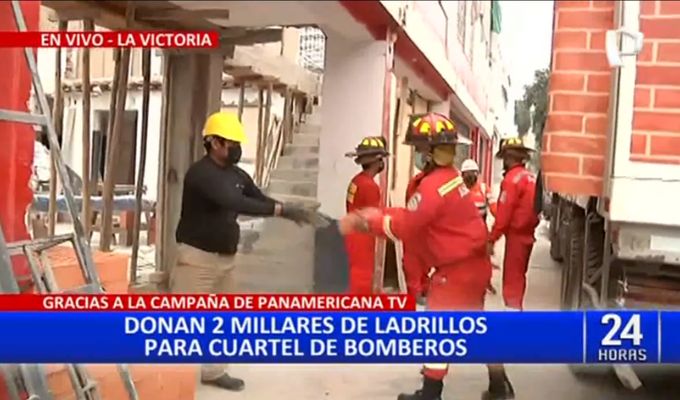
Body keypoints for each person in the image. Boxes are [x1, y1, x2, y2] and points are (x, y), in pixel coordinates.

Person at [338, 112, 514, 400]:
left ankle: (431, 394)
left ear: (431, 152)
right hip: (473, 266)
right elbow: (414, 215)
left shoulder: (432, 187)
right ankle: (499, 385)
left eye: (420, 149)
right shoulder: (452, 179)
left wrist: (367, 221)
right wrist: (380, 214)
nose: (419, 155)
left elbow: (408, 226)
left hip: (454, 273)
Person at [171, 111, 316, 392]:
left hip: (226, 259)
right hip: (197, 258)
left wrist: (290, 211)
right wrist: (281, 210)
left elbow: (257, 198)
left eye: (238, 143)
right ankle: (171, 379)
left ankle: (213, 371)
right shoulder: (201, 174)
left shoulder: (237, 175)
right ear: (214, 143)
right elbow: (234, 201)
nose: (237, 149)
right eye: (232, 143)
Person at [488, 137, 540, 311]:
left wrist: (492, 238)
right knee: (519, 276)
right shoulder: (530, 177)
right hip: (527, 235)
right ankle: (516, 309)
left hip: (516, 236)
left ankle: (512, 314)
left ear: (509, 158)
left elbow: (504, 215)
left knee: (512, 279)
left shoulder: (511, 180)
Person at [344, 136, 389, 294]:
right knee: (362, 280)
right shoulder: (370, 186)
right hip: (362, 240)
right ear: (376, 162)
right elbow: (374, 218)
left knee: (354, 277)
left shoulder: (356, 181)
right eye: (381, 159)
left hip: (352, 235)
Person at [461, 158, 496, 223]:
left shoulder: (484, 188)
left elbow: (494, 208)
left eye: (472, 173)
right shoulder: (459, 189)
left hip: (480, 226)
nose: (470, 176)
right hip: (463, 226)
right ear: (462, 175)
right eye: (467, 173)